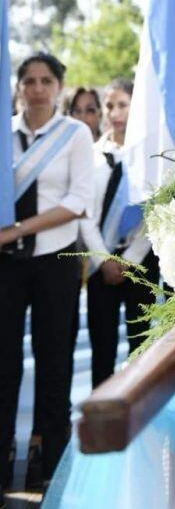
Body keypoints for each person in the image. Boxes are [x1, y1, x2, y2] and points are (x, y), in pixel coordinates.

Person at [0, 53, 93, 499]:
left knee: (54, 364)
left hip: (56, 260)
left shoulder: (75, 134)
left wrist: (15, 230)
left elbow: (77, 201)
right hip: (6, 265)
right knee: (2, 365)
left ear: (59, 87)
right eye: (29, 80)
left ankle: (50, 464)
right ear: (18, 86)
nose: (37, 88)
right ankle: (3, 459)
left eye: (46, 80)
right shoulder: (3, 133)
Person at [80, 79, 160, 387]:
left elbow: (154, 209)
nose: (115, 112)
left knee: (140, 344)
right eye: (109, 106)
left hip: (139, 262)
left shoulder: (149, 155)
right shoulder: (91, 154)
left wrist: (131, 258)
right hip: (102, 263)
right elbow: (84, 213)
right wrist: (103, 260)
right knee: (101, 346)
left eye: (122, 105)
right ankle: (101, 417)